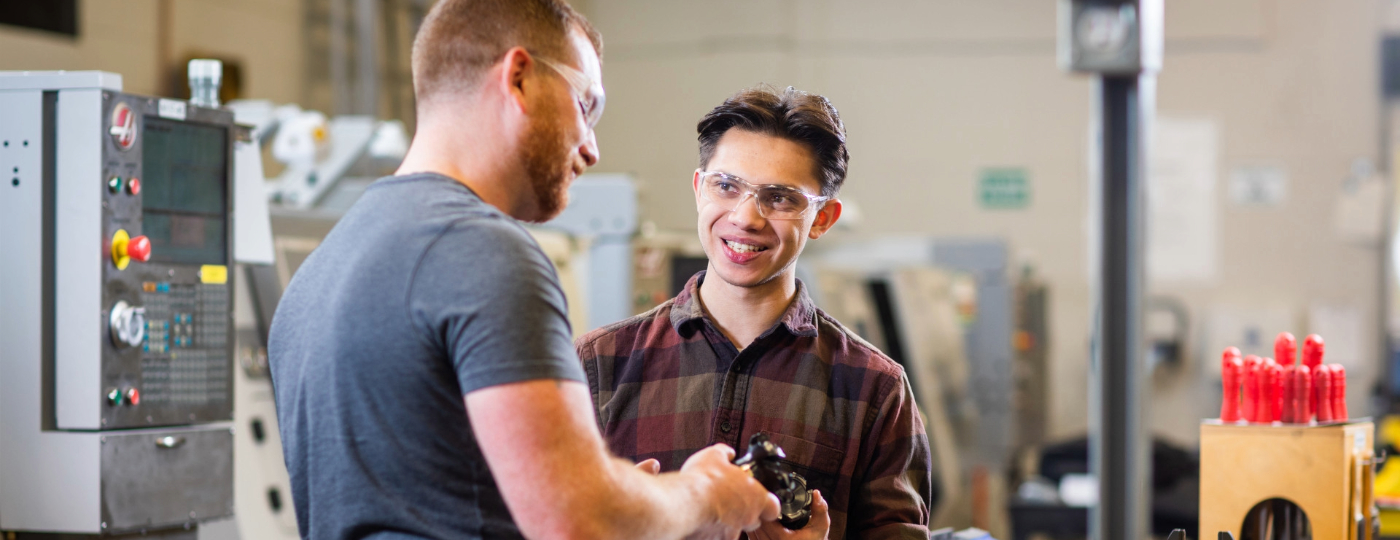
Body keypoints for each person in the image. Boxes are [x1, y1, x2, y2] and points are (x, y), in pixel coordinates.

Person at [269, 1, 780, 538]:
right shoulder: (483, 250)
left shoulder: (317, 270)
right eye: (586, 106)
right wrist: (706, 494)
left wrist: (620, 492)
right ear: (518, 78)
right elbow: (578, 521)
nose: (592, 148)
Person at [576, 86, 935, 540]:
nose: (746, 218)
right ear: (698, 189)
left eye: (781, 198)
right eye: (726, 186)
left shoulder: (873, 389)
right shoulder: (598, 365)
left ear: (822, 219)